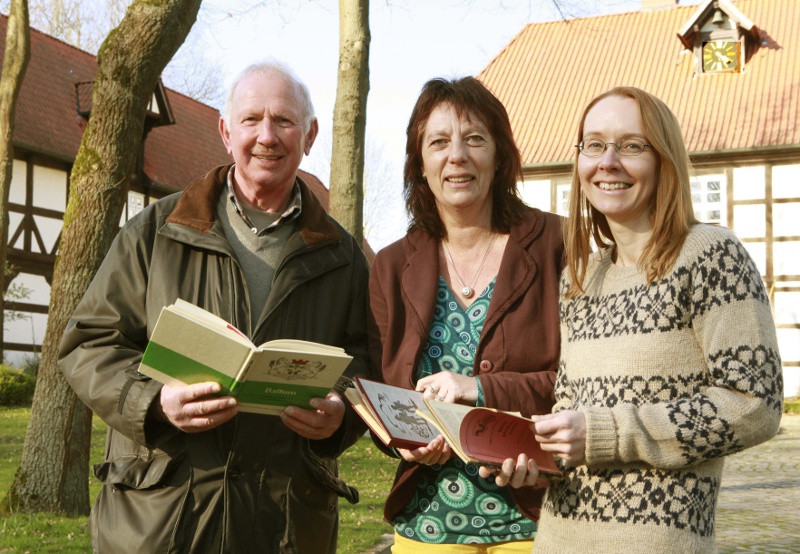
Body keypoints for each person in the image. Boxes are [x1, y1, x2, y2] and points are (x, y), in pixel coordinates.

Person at [59, 60, 370, 553]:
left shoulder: (343, 254)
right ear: (227, 132)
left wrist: (342, 414)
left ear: (309, 135)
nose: (266, 135)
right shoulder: (155, 231)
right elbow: (87, 343)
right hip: (162, 522)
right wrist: (154, 402)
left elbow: (368, 363)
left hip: (284, 524)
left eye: (284, 121)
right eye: (251, 120)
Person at [485, 86, 784, 553]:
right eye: (595, 145)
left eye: (631, 146)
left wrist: (609, 432)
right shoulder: (582, 276)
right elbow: (575, 414)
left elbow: (755, 405)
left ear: (664, 159)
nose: (608, 162)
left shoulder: (710, 255)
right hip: (560, 539)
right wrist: (533, 456)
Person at [367, 76, 564, 552]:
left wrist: (482, 391)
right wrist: (404, 442)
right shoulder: (391, 265)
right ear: (421, 165)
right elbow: (379, 390)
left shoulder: (558, 245)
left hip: (537, 522)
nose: (457, 155)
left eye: (475, 138)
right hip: (427, 525)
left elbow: (586, 380)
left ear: (499, 157)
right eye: (439, 142)